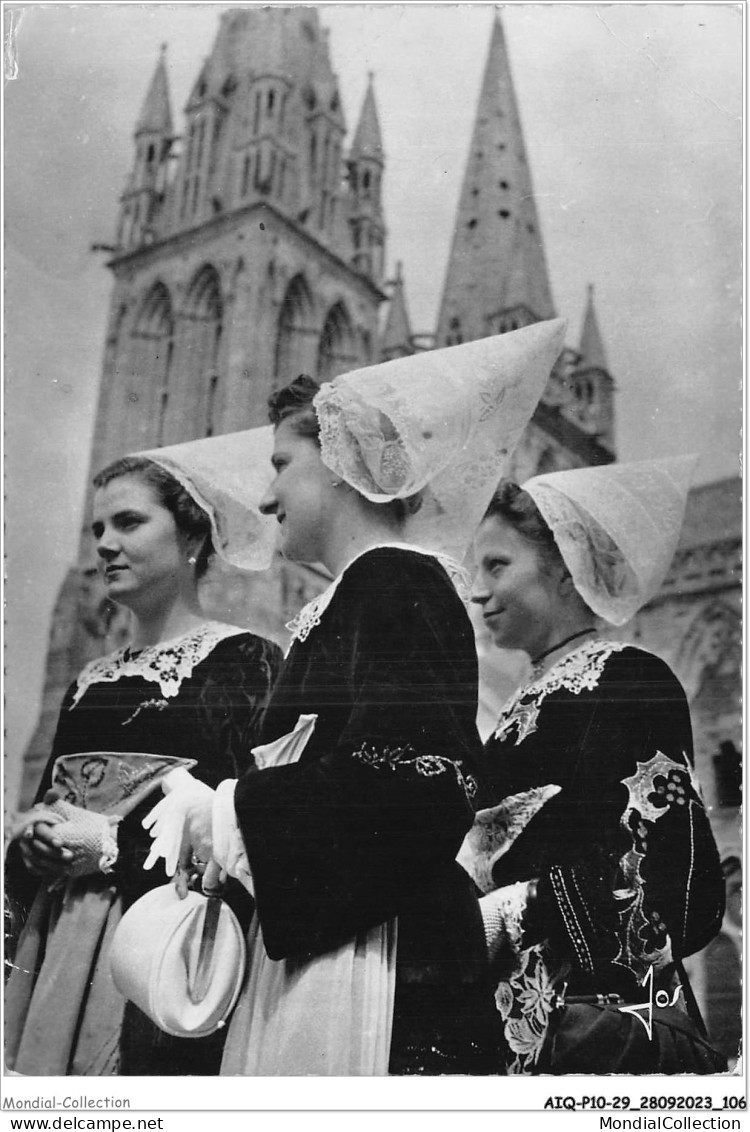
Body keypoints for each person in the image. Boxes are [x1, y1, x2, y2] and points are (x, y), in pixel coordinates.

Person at [141, 318, 568, 1075]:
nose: (267, 496)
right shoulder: (355, 594)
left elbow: (422, 784)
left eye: (281, 463)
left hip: (376, 963)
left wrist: (230, 809)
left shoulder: (398, 581)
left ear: (340, 464)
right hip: (326, 942)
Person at [5, 436, 283, 1076]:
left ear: (192, 537)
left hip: (161, 942)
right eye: (97, 527)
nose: (104, 543)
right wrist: (35, 840)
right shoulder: (89, 681)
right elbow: (51, 805)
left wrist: (108, 842)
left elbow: (241, 833)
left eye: (129, 522)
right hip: (60, 939)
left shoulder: (244, 663)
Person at [462, 459, 726, 1074]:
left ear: (560, 563)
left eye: (497, 565)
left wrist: (523, 904)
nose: (476, 590)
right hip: (493, 1021)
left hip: (595, 1028)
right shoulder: (509, 713)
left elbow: (677, 885)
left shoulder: (627, 680)